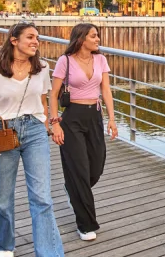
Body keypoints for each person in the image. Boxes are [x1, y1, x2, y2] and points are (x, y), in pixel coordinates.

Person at [0, 22, 68, 257]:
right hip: (3, 133)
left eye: (37, 38)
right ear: (14, 40)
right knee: (2, 197)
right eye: (30, 37)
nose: (35, 41)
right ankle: (5, 243)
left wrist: (51, 123)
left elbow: (43, 102)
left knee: (42, 197)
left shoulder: (43, 69)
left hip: (35, 131)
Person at [49, 23, 118, 240]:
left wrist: (112, 119)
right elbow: (53, 94)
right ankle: (86, 225)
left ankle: (74, 188)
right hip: (72, 119)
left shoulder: (100, 59)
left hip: (94, 115)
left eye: (97, 36)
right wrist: (55, 123)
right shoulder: (65, 61)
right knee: (79, 170)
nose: (97, 39)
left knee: (95, 167)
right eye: (93, 36)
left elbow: (105, 90)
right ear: (81, 38)